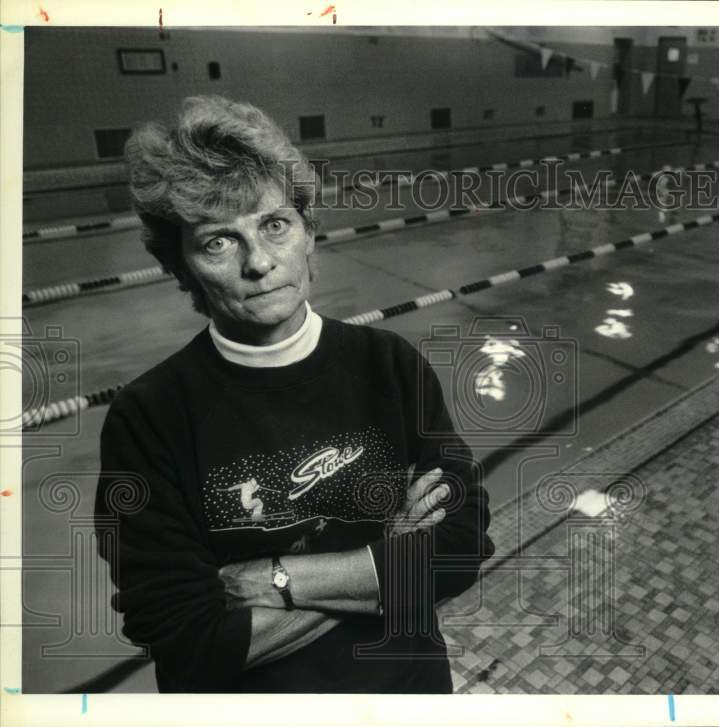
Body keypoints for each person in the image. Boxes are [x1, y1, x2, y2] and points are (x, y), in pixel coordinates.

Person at [93, 95, 495, 693]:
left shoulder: (388, 364)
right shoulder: (148, 419)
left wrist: (276, 580)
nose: (259, 262)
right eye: (218, 242)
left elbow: (461, 544)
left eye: (274, 225)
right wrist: (389, 562)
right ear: (182, 270)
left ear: (310, 233)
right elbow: (188, 641)